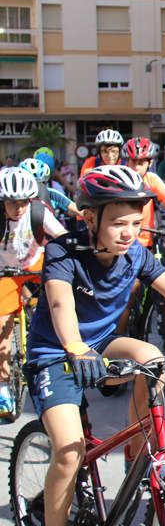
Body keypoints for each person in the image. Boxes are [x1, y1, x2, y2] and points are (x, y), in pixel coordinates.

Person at [24, 165, 165, 525]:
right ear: (90, 218)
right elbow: (60, 303)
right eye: (118, 224)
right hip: (56, 354)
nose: (130, 233)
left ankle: (136, 457)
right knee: (69, 452)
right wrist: (75, 348)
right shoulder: (63, 252)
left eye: (135, 221)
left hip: (100, 345)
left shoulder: (135, 254)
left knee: (152, 358)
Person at [0, 167, 67, 418]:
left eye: (23, 202)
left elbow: (61, 237)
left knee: (56, 303)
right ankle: (4, 385)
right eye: (11, 203)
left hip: (34, 266)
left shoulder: (38, 212)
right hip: (4, 271)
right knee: (2, 327)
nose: (18, 208)